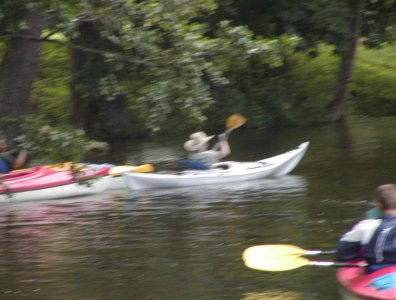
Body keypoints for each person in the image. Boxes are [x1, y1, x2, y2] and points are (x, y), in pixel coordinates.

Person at [336, 184, 396, 273]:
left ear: (377, 203)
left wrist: (362, 254)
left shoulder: (365, 226)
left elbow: (343, 253)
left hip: (377, 271)